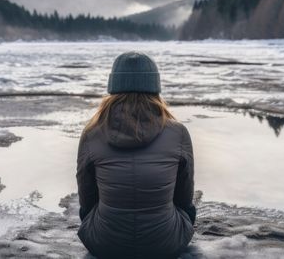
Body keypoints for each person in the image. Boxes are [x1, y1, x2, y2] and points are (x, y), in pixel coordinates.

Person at [76, 51, 196, 259]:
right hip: (166, 243)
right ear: (155, 89)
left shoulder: (92, 133)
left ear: (112, 89)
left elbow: (87, 198)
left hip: (104, 244)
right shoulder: (178, 133)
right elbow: (184, 197)